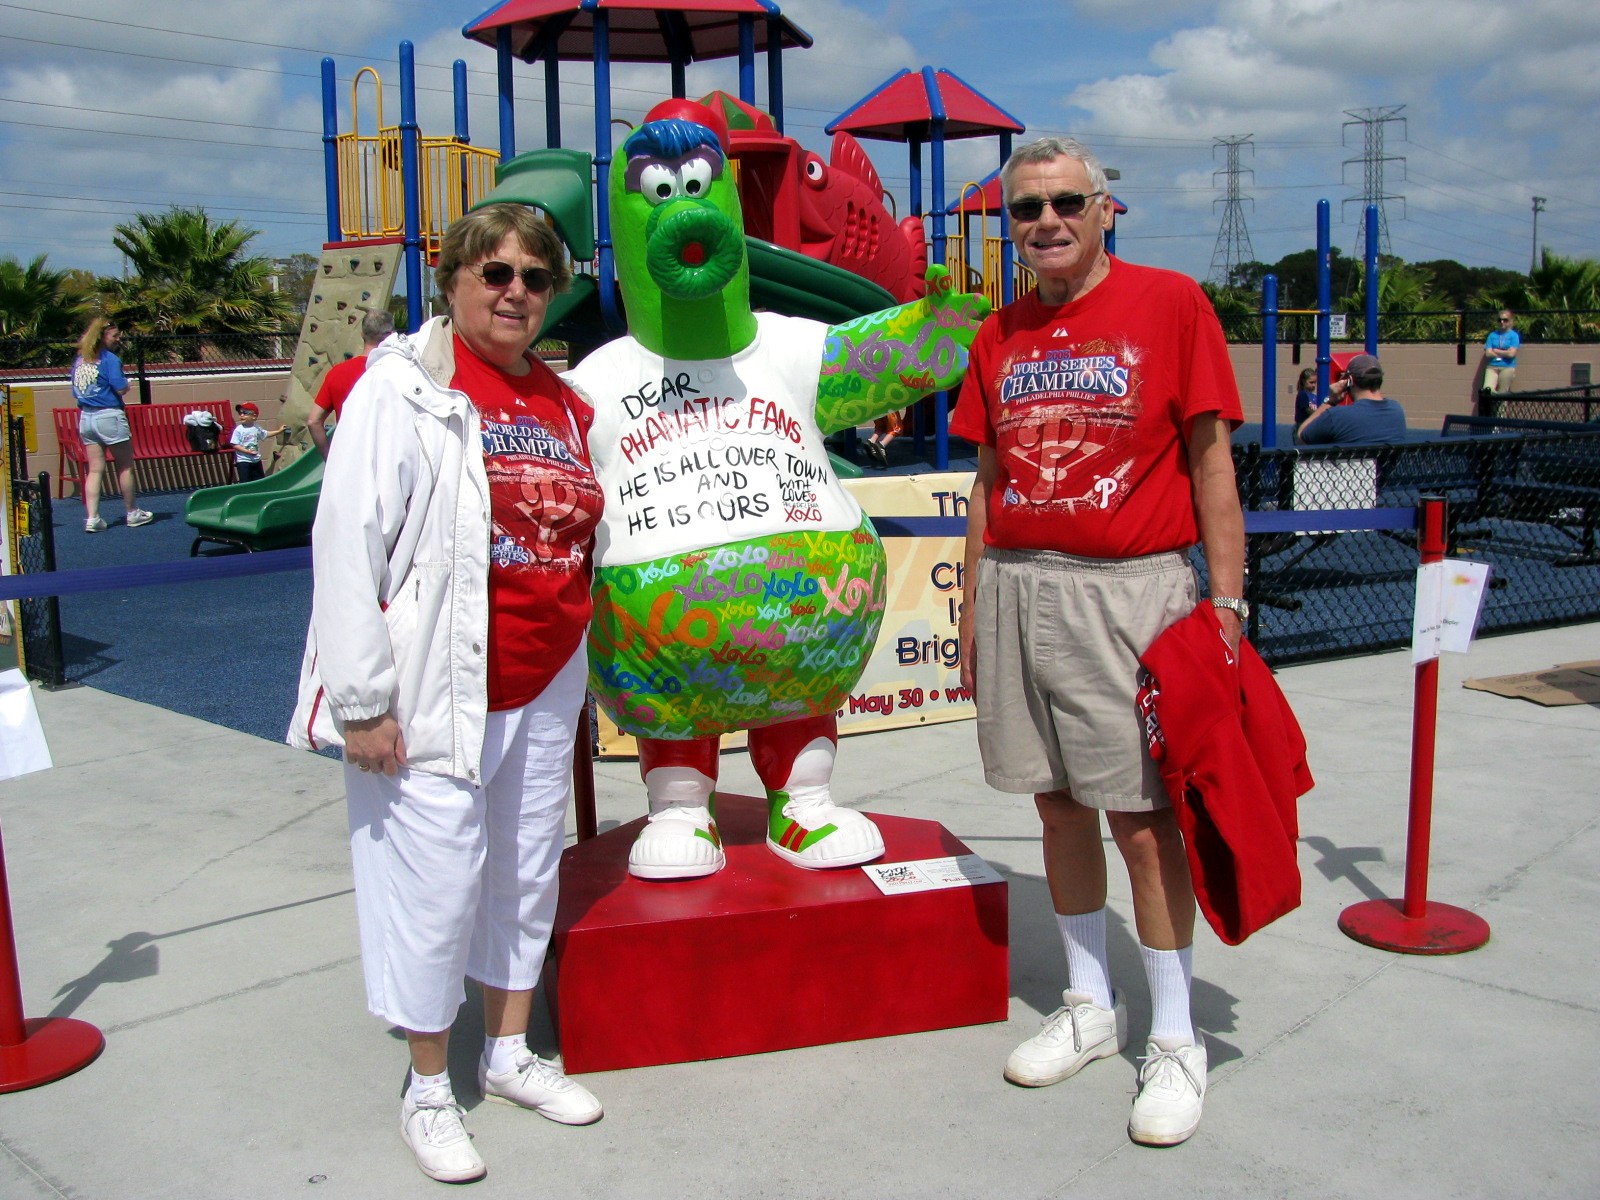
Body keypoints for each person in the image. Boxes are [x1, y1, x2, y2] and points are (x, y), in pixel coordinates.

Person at [288, 203, 606, 1184]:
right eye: (495, 273)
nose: (515, 292)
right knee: (428, 887)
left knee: (521, 872)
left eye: (535, 277)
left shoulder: (562, 401)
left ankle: (507, 1053)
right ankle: (428, 1084)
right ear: (457, 280)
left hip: (544, 680)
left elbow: (585, 536)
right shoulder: (402, 391)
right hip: (433, 686)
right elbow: (345, 544)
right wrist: (361, 702)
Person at [950, 135, 1246, 1148]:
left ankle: (1172, 1038)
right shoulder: (998, 334)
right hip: (1020, 585)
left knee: (1144, 822)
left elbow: (1211, 463)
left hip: (1133, 592)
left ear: (1103, 207)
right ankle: (1088, 1004)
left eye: (1064, 202)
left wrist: (1227, 605)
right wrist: (970, 605)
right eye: (1023, 210)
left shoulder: (1170, 305)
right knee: (1057, 805)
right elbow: (989, 479)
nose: (1045, 223)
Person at [69, 318, 153, 532]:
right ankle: (133, 512)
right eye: (115, 336)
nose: (118, 339)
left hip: (86, 417)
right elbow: (120, 388)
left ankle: (93, 518)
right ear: (102, 337)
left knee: (95, 470)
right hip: (109, 416)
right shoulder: (110, 359)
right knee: (124, 466)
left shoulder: (81, 360)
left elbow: (76, 390)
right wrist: (127, 385)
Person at [308, 309, 396, 458]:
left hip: (349, 457)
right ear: (391, 334)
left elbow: (313, 421)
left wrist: (329, 458)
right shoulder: (399, 370)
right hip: (388, 456)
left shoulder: (337, 373)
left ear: (362, 334)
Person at [1296, 353, 1407, 445]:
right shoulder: (1397, 411)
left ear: (1350, 381)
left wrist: (1330, 401)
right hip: (1385, 472)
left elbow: (1301, 437)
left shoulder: (1336, 416)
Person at [224, 402, 285, 483]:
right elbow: (235, 445)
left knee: (259, 481)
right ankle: (246, 495)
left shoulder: (256, 427)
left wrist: (279, 431)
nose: (241, 415)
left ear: (254, 416)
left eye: (245, 413)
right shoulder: (239, 429)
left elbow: (265, 434)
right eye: (240, 413)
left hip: (256, 460)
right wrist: (247, 451)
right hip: (243, 461)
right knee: (245, 482)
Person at [1483, 309, 1520, 395]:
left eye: (1505, 320)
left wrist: (1496, 351)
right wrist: (1505, 352)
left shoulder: (1514, 336)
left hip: (1507, 366)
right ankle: (1489, 408)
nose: (1502, 322)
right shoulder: (1492, 335)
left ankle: (1500, 409)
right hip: (1492, 366)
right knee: (1487, 390)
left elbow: (1512, 354)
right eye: (1500, 320)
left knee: (1502, 392)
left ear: (1510, 321)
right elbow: (1488, 353)